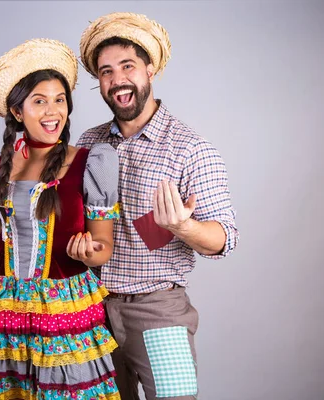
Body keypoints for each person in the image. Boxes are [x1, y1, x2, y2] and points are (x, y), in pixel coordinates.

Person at [0, 38, 121, 400]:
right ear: (18, 113)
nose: (53, 111)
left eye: (60, 100)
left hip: (63, 309)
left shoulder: (91, 164)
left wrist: (87, 253)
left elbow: (103, 247)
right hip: (8, 308)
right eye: (40, 101)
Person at [75, 12, 240, 400]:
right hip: (90, 308)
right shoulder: (88, 142)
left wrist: (184, 227)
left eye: (128, 66)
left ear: (150, 70)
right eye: (106, 71)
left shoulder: (190, 149)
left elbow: (224, 237)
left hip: (158, 310)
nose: (117, 80)